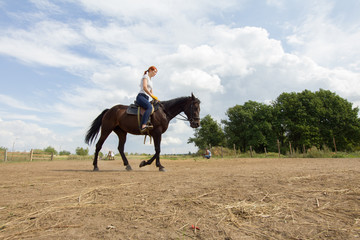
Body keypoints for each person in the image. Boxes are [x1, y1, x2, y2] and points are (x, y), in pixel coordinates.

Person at [136, 66, 159, 133]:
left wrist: (155, 98)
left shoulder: (151, 81)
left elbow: (151, 92)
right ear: (150, 70)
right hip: (141, 96)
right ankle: (143, 125)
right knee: (149, 107)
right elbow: (145, 88)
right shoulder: (145, 77)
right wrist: (151, 95)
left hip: (146, 98)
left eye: (156, 73)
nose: (155, 74)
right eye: (155, 72)